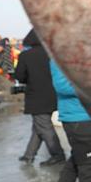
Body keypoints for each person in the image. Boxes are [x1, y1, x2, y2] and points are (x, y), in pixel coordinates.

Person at [14, 29, 65, 165]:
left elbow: (20, 76)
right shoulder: (52, 55)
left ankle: (58, 154)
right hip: (52, 94)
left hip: (36, 96)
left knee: (44, 126)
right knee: (39, 126)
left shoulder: (25, 55)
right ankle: (29, 154)